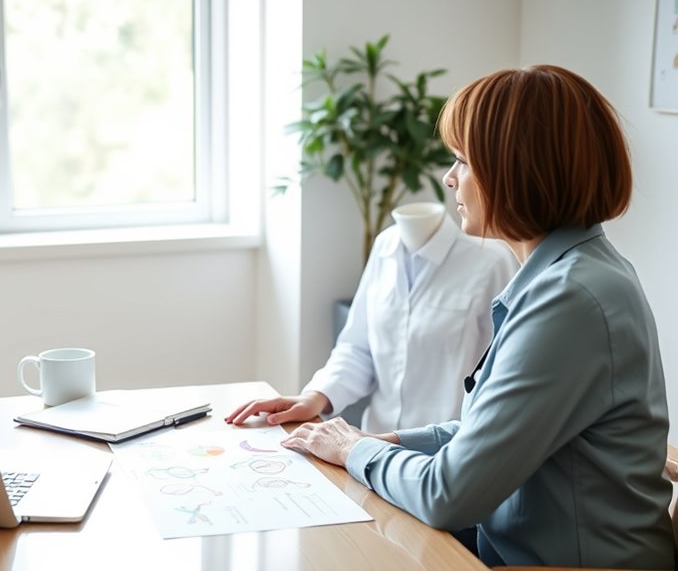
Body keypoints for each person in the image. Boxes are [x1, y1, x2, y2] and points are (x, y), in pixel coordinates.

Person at [278, 65, 675, 569]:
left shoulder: (570, 300)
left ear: (515, 170)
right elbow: (491, 433)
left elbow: (450, 494)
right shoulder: (570, 275)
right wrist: (391, 441)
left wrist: (356, 448)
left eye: (463, 161)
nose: (449, 178)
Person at [227, 201, 516, 433]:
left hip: (445, 455)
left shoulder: (491, 261)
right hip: (373, 445)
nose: (449, 178)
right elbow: (358, 347)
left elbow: (502, 373)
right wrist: (315, 397)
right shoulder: (385, 246)